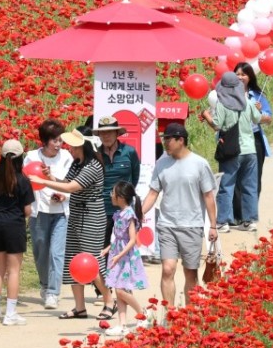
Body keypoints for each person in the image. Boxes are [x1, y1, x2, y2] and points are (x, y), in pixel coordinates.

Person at [28, 130, 114, 321]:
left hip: (91, 218)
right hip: (76, 215)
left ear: (82, 147)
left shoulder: (93, 166)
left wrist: (43, 181)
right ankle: (79, 307)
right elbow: (67, 182)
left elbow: (72, 187)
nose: (69, 149)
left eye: (73, 146)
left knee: (91, 261)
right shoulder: (77, 163)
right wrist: (51, 177)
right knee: (74, 261)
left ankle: (109, 301)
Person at [141, 123, 217, 313]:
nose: (165, 142)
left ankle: (189, 316)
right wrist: (139, 214)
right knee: (168, 269)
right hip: (167, 225)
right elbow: (153, 193)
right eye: (164, 139)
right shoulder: (162, 164)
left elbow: (209, 196)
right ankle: (170, 314)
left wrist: (213, 226)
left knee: (190, 272)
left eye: (168, 139)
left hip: (192, 225)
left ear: (180, 140)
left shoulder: (200, 164)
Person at [200, 71, 262, 232]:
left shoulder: (222, 105)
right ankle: (249, 221)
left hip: (231, 150)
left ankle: (223, 221)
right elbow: (257, 119)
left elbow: (216, 125)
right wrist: (258, 109)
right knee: (249, 186)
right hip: (250, 150)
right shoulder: (248, 102)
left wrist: (206, 115)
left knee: (227, 185)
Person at [0, 139, 34, 326]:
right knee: (14, 271)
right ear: (21, 157)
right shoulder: (23, 180)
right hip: (14, 225)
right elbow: (27, 210)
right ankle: (10, 313)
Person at [27, 120, 71, 311]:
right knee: (40, 252)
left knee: (56, 253)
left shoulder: (67, 157)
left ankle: (53, 292)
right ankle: (44, 285)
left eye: (60, 140)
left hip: (60, 212)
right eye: (55, 140)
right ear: (45, 141)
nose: (58, 144)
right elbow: (26, 182)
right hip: (39, 211)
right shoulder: (31, 157)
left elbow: (71, 182)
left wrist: (63, 195)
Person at [100, 181, 148, 337]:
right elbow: (118, 237)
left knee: (121, 290)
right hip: (117, 254)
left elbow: (132, 240)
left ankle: (142, 313)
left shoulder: (129, 215)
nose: (111, 195)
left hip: (126, 256)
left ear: (120, 197)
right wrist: (108, 249)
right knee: (118, 288)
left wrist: (119, 255)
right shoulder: (118, 214)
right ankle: (122, 324)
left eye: (113, 193)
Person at [230, 62, 271, 223]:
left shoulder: (257, 95)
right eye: (237, 74)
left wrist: (259, 112)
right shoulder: (226, 94)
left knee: (254, 177)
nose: (240, 77)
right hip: (234, 138)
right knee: (234, 176)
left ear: (250, 77)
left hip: (254, 139)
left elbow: (268, 118)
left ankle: (250, 213)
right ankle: (237, 214)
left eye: (244, 74)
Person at [93, 115, 141, 247]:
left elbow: (135, 178)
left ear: (117, 133)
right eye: (103, 133)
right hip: (102, 209)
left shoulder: (129, 152)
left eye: (109, 132)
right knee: (102, 247)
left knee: (125, 245)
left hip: (125, 209)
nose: (106, 136)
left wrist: (123, 196)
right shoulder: (95, 154)